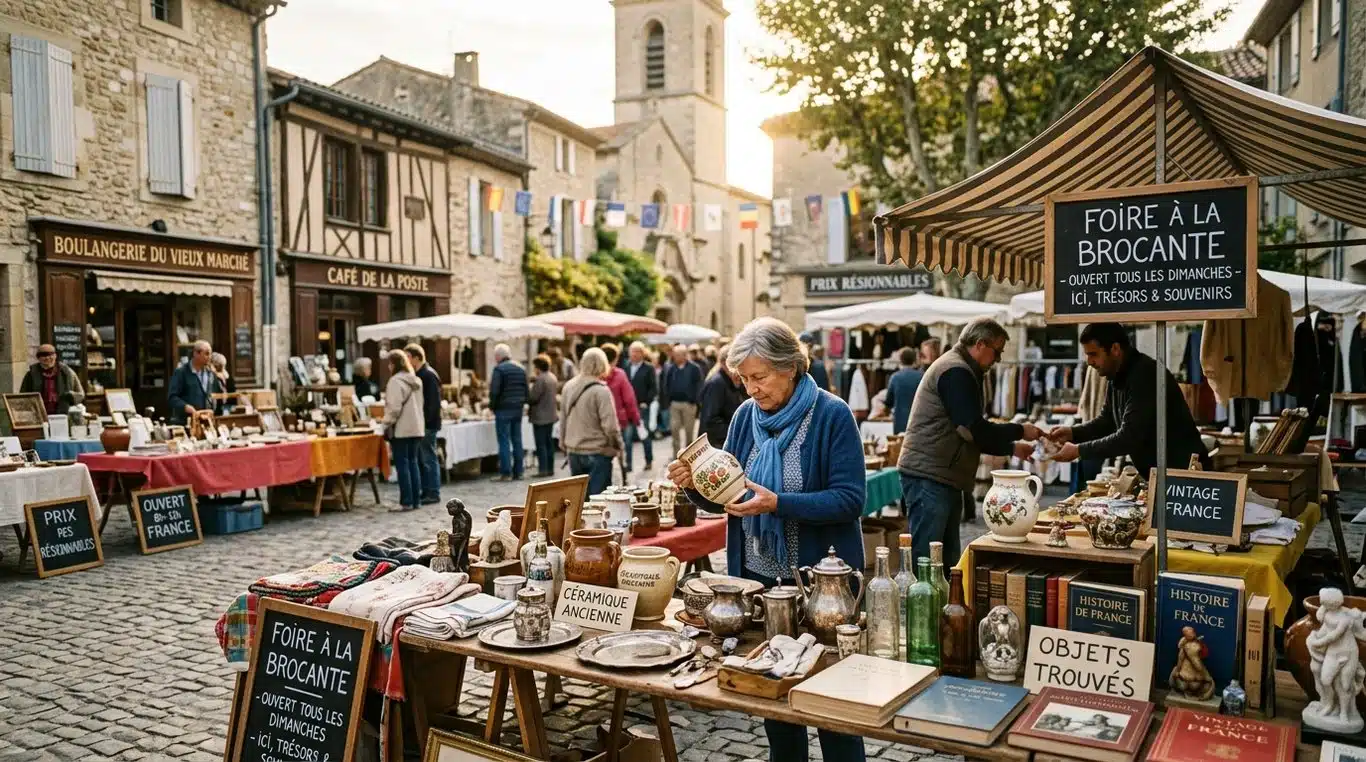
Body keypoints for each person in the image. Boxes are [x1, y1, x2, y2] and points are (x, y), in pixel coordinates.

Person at [667, 317, 867, 762]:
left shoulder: (832, 414)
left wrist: (779, 503)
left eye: (760, 378)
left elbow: (850, 500)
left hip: (823, 591)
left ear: (791, 366)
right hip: (761, 589)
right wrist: (693, 485)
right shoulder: (744, 417)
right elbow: (733, 500)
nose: (752, 389)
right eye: (744, 380)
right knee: (772, 701)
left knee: (834, 709)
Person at [898, 319, 1041, 567]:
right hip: (930, 476)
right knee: (927, 561)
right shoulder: (956, 370)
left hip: (941, 476)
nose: (997, 359)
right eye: (996, 351)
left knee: (945, 561)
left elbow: (972, 429)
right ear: (980, 344)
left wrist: (1012, 446)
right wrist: (1018, 431)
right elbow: (971, 429)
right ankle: (918, 607)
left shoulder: (960, 368)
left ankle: (942, 605)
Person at [1048, 322, 1208, 472]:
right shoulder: (1116, 375)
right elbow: (1108, 421)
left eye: (1093, 354)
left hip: (1184, 474)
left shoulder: (1145, 375)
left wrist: (1079, 450)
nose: (1089, 362)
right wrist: (1072, 433)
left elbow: (1130, 436)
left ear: (1115, 349)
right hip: (1163, 474)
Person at [560, 348, 622, 496]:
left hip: (574, 450)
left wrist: (563, 442)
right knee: (598, 502)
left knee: (580, 501)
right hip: (597, 451)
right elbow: (610, 426)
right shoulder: (601, 391)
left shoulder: (568, 386)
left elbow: (563, 418)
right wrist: (618, 445)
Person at [381, 349, 425, 512]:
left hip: (402, 429)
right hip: (416, 427)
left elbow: (394, 409)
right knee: (413, 463)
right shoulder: (416, 381)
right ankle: (415, 500)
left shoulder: (395, 382)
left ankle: (406, 501)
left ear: (393, 364)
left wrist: (384, 424)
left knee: (403, 464)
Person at [405, 343, 444, 502]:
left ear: (416, 358)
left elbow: (433, 404)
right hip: (423, 423)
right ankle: (426, 490)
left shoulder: (428, 375)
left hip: (428, 424)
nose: (406, 361)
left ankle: (433, 492)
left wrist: (425, 422)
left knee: (428, 458)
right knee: (423, 458)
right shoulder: (421, 374)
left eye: (407, 357)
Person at [488, 343, 529, 482]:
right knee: (517, 439)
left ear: (499, 356)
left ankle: (506, 473)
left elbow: (494, 390)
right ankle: (519, 471)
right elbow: (526, 390)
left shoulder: (499, 369)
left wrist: (492, 406)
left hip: (503, 408)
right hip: (517, 408)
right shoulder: (521, 369)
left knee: (504, 440)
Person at [600, 344, 641, 472]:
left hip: (601, 420)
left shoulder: (596, 375)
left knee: (605, 447)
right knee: (625, 445)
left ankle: (611, 469)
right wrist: (636, 418)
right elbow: (629, 399)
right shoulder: (619, 374)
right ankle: (625, 467)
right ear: (616, 358)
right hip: (621, 419)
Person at [698, 345, 745, 447]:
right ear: (725, 364)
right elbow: (710, 422)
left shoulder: (735, 381)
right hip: (717, 445)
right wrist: (737, 430)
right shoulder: (716, 384)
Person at [662, 343, 704, 456]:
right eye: (675, 355)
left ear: (684, 355)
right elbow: (666, 384)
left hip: (689, 404)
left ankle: (689, 456)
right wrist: (668, 399)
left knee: (689, 431)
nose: (675, 357)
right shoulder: (671, 368)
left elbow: (699, 385)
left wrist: (694, 400)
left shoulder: (694, 368)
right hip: (675, 403)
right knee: (674, 429)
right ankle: (676, 455)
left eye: (678, 355)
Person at [21, 344, 84, 416]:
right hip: (39, 414)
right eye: (43, 355)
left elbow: (80, 394)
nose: (47, 358)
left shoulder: (67, 372)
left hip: (63, 414)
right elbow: (23, 397)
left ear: (55, 356)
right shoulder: (31, 375)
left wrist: (70, 396)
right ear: (38, 358)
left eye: (50, 355)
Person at [168, 340, 221, 425]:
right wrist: (186, 407)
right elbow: (172, 398)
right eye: (207, 354)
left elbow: (216, 396)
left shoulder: (211, 373)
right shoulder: (181, 372)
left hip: (207, 422)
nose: (210, 357)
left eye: (210, 354)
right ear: (196, 354)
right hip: (186, 422)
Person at [625, 341, 658, 472]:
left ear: (642, 353)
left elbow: (653, 388)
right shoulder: (625, 367)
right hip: (627, 408)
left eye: (638, 351)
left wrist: (646, 402)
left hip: (642, 407)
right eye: (633, 351)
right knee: (627, 438)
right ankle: (628, 464)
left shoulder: (649, 368)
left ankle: (648, 460)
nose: (635, 354)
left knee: (644, 435)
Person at [527, 354, 559, 477]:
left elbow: (533, 397)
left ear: (538, 367)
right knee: (548, 443)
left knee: (541, 444)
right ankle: (550, 468)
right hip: (550, 415)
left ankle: (543, 469)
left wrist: (530, 389)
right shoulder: (552, 377)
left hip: (540, 416)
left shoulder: (540, 379)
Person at [884, 346, 922, 435]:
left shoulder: (895, 378)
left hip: (899, 422)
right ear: (914, 360)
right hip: (918, 422)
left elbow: (888, 402)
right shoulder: (922, 376)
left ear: (900, 360)